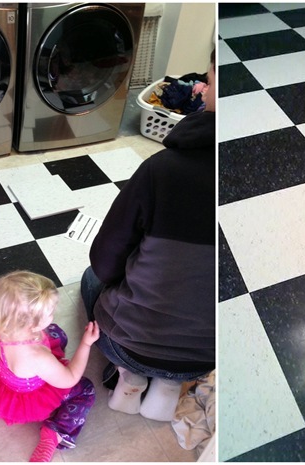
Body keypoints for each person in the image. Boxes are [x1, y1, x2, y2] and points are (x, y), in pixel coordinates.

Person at [80, 49, 216, 422]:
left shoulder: (162, 170)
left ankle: (129, 374)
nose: (201, 88)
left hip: (129, 344)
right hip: (205, 357)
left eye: (209, 77)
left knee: (91, 279)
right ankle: (169, 388)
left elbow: (105, 261)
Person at [0, 271, 99, 462]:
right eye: (50, 312)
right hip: (31, 399)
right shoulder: (37, 357)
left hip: (7, 377)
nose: (53, 313)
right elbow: (71, 376)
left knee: (55, 333)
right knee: (86, 389)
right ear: (31, 325)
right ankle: (55, 433)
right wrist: (86, 344)